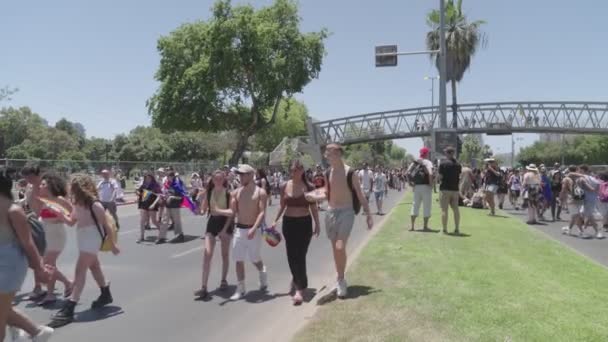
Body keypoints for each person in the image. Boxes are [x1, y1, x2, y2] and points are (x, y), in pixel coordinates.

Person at [49, 175, 120, 325]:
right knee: (94, 267)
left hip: (92, 238)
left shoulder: (95, 205)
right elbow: (71, 222)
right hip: (82, 237)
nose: (70, 189)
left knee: (79, 271)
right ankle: (105, 293)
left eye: (72, 187)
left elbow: (107, 226)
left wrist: (113, 245)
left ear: (79, 188)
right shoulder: (77, 204)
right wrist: (60, 215)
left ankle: (70, 307)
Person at [305, 143, 373, 299]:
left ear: (337, 153)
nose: (326, 154)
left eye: (328, 151)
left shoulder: (350, 172)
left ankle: (341, 280)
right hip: (331, 212)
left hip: (346, 212)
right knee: (336, 249)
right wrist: (313, 196)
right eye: (326, 152)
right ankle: (340, 278)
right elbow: (326, 194)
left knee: (340, 245)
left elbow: (360, 194)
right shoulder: (328, 172)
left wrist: (368, 214)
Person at [0, 168, 55, 342]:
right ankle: (37, 332)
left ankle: (34, 332)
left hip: (10, 266)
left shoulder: (13, 210)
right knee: (3, 309)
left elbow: (28, 243)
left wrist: (40, 269)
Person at [273, 160, 320, 305]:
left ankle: (300, 287)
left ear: (302, 171)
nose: (293, 173)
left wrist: (317, 224)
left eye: (296, 170)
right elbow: (282, 205)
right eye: (292, 170)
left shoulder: (309, 186)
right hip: (289, 223)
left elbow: (313, 207)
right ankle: (298, 281)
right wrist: (275, 221)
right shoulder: (284, 186)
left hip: (304, 223)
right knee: (291, 255)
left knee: (300, 256)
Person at [30, 173, 74, 306]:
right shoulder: (41, 200)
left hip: (56, 235)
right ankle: (50, 294)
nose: (40, 186)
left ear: (50, 186)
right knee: (51, 265)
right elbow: (37, 214)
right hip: (44, 236)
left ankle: (68, 282)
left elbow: (73, 217)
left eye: (43, 184)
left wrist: (59, 216)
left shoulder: (60, 199)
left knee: (45, 265)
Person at [229, 165, 269, 300]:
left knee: (255, 258)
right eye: (239, 174)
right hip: (239, 229)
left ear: (251, 175)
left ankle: (263, 272)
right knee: (238, 259)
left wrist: (253, 228)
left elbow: (262, 212)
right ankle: (241, 289)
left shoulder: (260, 192)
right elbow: (232, 212)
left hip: (254, 230)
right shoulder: (236, 192)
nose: (240, 177)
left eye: (243, 174)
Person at [194, 170, 234, 299]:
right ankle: (204, 287)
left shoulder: (228, 193)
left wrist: (224, 229)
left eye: (220, 178)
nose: (217, 180)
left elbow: (232, 212)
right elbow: (203, 211)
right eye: (215, 178)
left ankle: (223, 280)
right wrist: (196, 207)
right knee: (207, 254)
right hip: (212, 222)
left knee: (225, 254)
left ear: (223, 179)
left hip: (225, 223)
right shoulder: (209, 192)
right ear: (212, 179)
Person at [406, 147, 434, 231]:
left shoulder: (415, 162)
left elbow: (407, 172)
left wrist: (410, 183)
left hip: (417, 186)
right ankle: (425, 226)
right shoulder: (428, 162)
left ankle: (412, 226)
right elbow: (430, 173)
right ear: (426, 154)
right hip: (425, 186)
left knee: (415, 205)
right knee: (426, 206)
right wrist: (430, 184)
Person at [437, 146, 462, 234]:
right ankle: (457, 228)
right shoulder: (458, 165)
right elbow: (459, 176)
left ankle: (444, 229)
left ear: (447, 153)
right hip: (455, 189)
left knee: (444, 210)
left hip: (445, 189)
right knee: (456, 209)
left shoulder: (443, 164)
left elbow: (440, 177)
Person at [157, 172, 186, 244]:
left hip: (175, 205)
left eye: (169, 176)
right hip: (167, 205)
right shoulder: (166, 185)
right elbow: (164, 193)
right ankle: (161, 237)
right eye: (167, 176)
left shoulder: (177, 185)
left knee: (177, 221)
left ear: (173, 177)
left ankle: (180, 235)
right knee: (164, 220)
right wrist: (162, 196)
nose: (168, 178)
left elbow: (181, 197)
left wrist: (172, 197)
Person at [136, 174, 162, 243]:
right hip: (143, 204)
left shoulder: (155, 185)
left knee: (154, 221)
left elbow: (159, 196)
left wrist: (153, 204)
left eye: (149, 178)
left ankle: (162, 233)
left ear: (152, 178)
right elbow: (139, 191)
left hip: (152, 204)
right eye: (146, 178)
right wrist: (137, 192)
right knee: (142, 221)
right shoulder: (144, 185)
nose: (147, 179)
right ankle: (141, 237)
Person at [561, 165, 584, 236]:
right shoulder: (579, 178)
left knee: (575, 215)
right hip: (579, 198)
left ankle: (581, 230)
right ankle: (569, 229)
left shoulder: (566, 179)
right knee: (574, 215)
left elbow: (563, 189)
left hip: (571, 198)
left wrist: (561, 197)